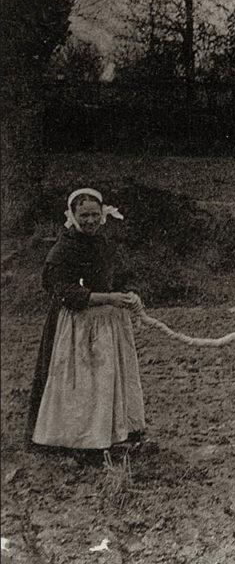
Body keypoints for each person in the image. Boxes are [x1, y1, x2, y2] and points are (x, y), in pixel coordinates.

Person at [25, 188, 147, 461]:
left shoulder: (105, 244)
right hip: (74, 325)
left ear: (102, 215)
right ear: (73, 216)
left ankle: (109, 434)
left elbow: (124, 275)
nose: (90, 221)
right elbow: (61, 291)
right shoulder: (63, 248)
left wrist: (131, 292)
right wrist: (107, 298)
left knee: (105, 380)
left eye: (94, 214)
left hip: (107, 324)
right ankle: (75, 438)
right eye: (84, 215)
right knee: (77, 381)